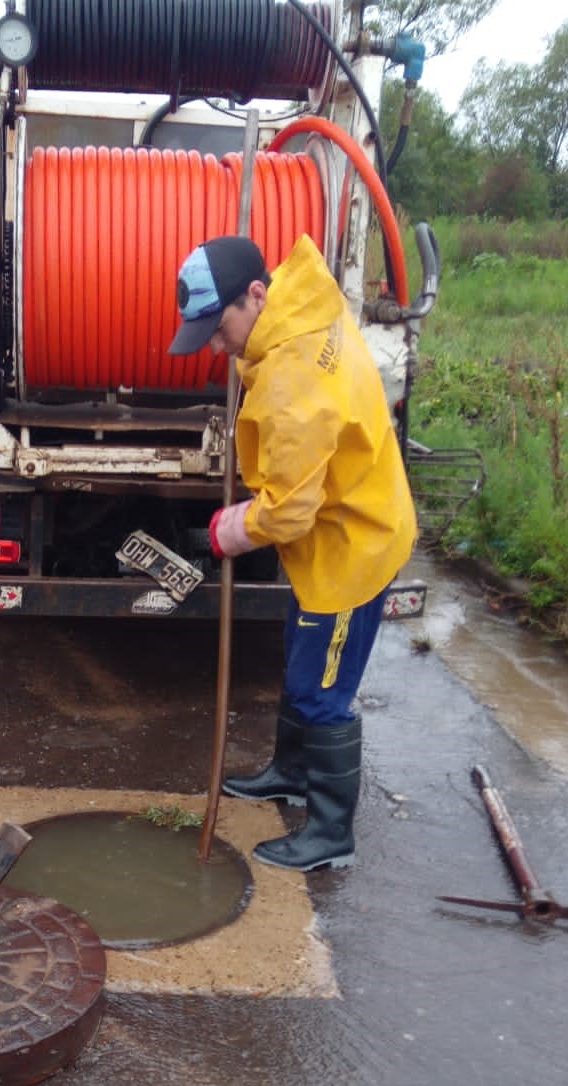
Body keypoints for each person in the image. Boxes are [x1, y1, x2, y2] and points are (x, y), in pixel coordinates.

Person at [168, 233, 417, 872]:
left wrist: (230, 530)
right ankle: (289, 770)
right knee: (298, 653)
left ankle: (330, 831)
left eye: (218, 330)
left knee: (321, 688)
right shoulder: (302, 301)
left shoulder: (290, 382)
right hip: (340, 520)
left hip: (349, 546)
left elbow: (288, 511)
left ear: (256, 295)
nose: (216, 349)